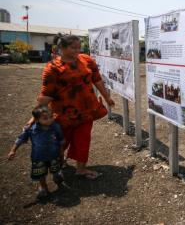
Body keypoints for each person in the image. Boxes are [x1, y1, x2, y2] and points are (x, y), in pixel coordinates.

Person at [32, 34, 115, 179]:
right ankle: (59, 162)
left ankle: (81, 169)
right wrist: (34, 116)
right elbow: (46, 93)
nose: (78, 50)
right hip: (63, 112)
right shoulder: (52, 68)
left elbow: (97, 80)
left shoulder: (87, 60)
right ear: (62, 48)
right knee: (61, 140)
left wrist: (107, 97)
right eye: (73, 47)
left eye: (79, 47)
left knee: (83, 140)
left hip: (86, 110)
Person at [8, 105, 65, 199]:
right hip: (38, 157)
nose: (50, 120)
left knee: (55, 167)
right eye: (45, 118)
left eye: (51, 116)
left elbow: (61, 139)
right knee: (40, 173)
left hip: (54, 155)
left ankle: (56, 175)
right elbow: (20, 139)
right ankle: (43, 186)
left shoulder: (55, 126)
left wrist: (61, 151)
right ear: (37, 119)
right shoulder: (31, 129)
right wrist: (13, 150)